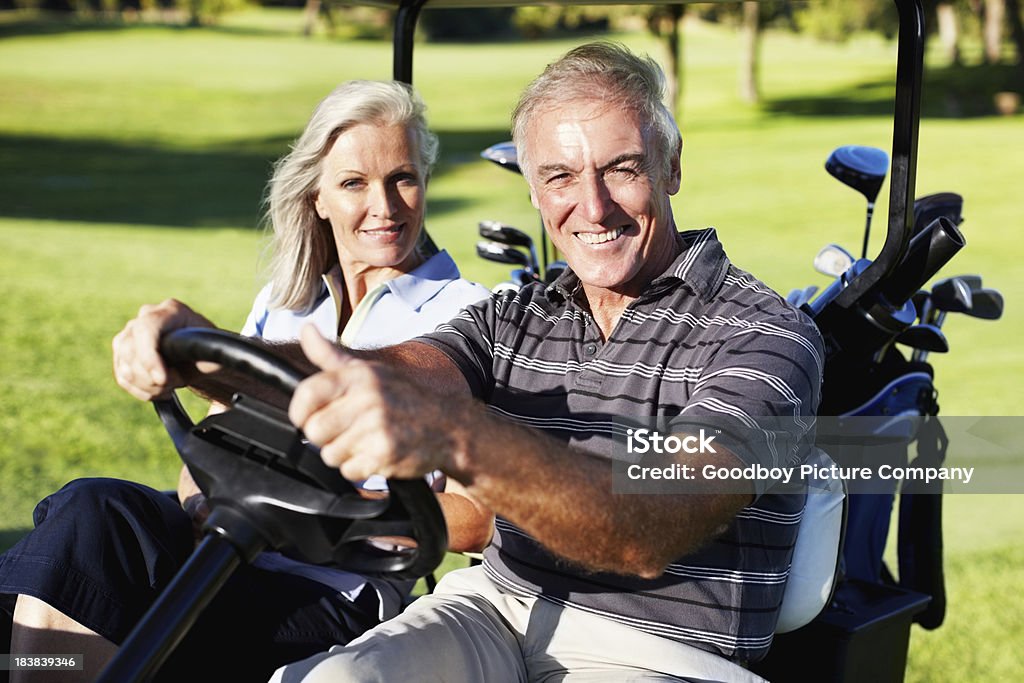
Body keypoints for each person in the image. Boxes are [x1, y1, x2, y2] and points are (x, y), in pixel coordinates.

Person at [112, 42, 825, 682]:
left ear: (671, 167)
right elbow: (392, 369)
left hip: (661, 653)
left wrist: (455, 433)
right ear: (535, 190)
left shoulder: (764, 338)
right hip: (495, 611)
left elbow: (644, 527)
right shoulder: (521, 313)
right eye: (559, 177)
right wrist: (208, 358)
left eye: (622, 168)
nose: (592, 205)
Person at [0, 79, 492, 683]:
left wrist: (325, 515)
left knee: (95, 604)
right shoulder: (286, 305)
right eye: (354, 183)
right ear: (317, 197)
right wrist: (200, 499)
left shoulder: (467, 315)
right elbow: (216, 442)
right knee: (89, 513)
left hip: (330, 594)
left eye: (403, 178)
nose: (385, 207)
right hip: (231, 550)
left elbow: (479, 519)